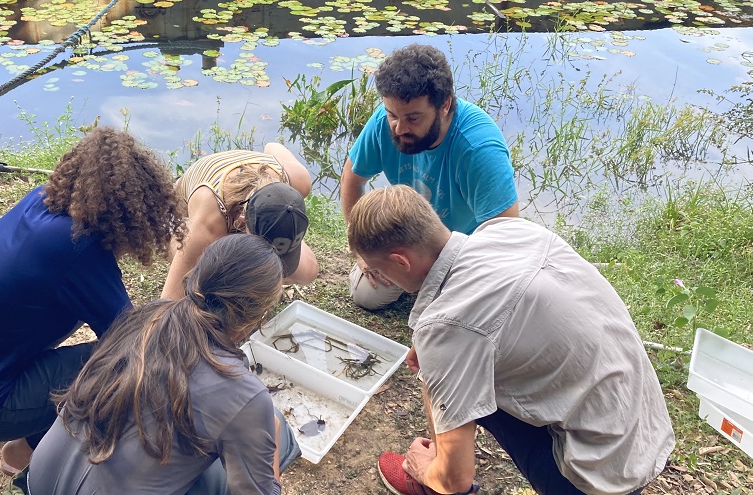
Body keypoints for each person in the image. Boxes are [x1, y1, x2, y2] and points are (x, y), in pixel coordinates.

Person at [346, 185, 674, 495]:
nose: (379, 279)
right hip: (647, 431)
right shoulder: (507, 230)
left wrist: (427, 469)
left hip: (597, 477)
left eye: (377, 272)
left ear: (401, 261)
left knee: (440, 404)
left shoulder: (444, 328)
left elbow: (458, 481)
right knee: (446, 366)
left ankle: (431, 479)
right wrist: (438, 349)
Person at [0, 127, 186, 476]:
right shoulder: (79, 249)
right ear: (130, 213)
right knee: (123, 366)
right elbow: (135, 341)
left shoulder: (41, 202)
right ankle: (25, 453)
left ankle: (26, 424)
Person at [28, 234, 301, 494]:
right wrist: (270, 446)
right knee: (279, 433)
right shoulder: (245, 395)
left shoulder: (148, 317)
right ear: (255, 318)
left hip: (39, 480)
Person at [340, 43, 519, 310]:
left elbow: (507, 238)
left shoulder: (478, 148)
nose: (399, 128)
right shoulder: (386, 121)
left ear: (444, 105)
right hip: (411, 237)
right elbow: (352, 180)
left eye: (413, 118)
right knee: (367, 295)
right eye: (392, 115)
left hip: (465, 253)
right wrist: (364, 251)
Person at [161, 143, 318, 300]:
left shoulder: (298, 179)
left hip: (242, 201)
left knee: (308, 271)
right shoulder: (211, 220)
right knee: (204, 276)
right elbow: (169, 300)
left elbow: (272, 146)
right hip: (176, 210)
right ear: (242, 219)